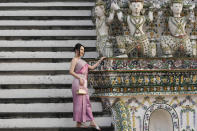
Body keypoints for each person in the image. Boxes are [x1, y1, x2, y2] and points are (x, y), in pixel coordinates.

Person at [69, 43, 105, 130]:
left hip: (83, 83)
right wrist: (80, 77)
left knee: (85, 102)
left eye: (83, 50)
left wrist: (100, 60)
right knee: (79, 103)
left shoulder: (83, 61)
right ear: (76, 50)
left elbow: (92, 67)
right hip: (78, 83)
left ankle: (80, 123)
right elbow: (71, 71)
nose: (82, 51)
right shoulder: (75, 60)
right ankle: (89, 121)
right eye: (81, 49)